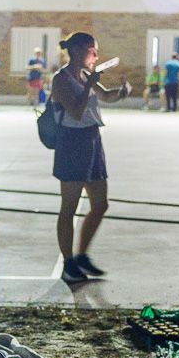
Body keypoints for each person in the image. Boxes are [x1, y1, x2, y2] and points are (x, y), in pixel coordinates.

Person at [49, 31, 132, 284]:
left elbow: (105, 96)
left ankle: (82, 255)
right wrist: (87, 85)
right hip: (72, 143)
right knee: (69, 206)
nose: (95, 55)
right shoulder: (61, 79)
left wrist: (122, 92)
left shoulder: (86, 75)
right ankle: (68, 262)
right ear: (76, 51)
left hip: (93, 140)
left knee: (100, 204)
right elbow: (75, 111)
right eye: (91, 50)